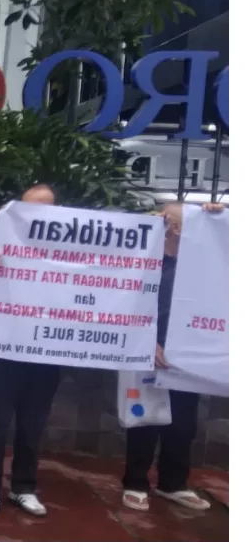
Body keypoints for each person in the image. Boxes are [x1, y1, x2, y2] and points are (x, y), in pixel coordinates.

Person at [120, 201, 224, 512]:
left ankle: (173, 484)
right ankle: (135, 483)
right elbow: (125, 302)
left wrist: (221, 217)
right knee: (145, 420)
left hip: (185, 356)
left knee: (183, 424)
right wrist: (148, 343)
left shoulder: (202, 263)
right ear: (174, 228)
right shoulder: (146, 261)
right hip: (149, 351)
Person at [0, 183, 61, 516]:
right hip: (4, 348)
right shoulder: (2, 244)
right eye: (30, 208)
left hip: (46, 351)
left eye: (45, 209)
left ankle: (24, 487)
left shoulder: (71, 254)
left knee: (33, 424)